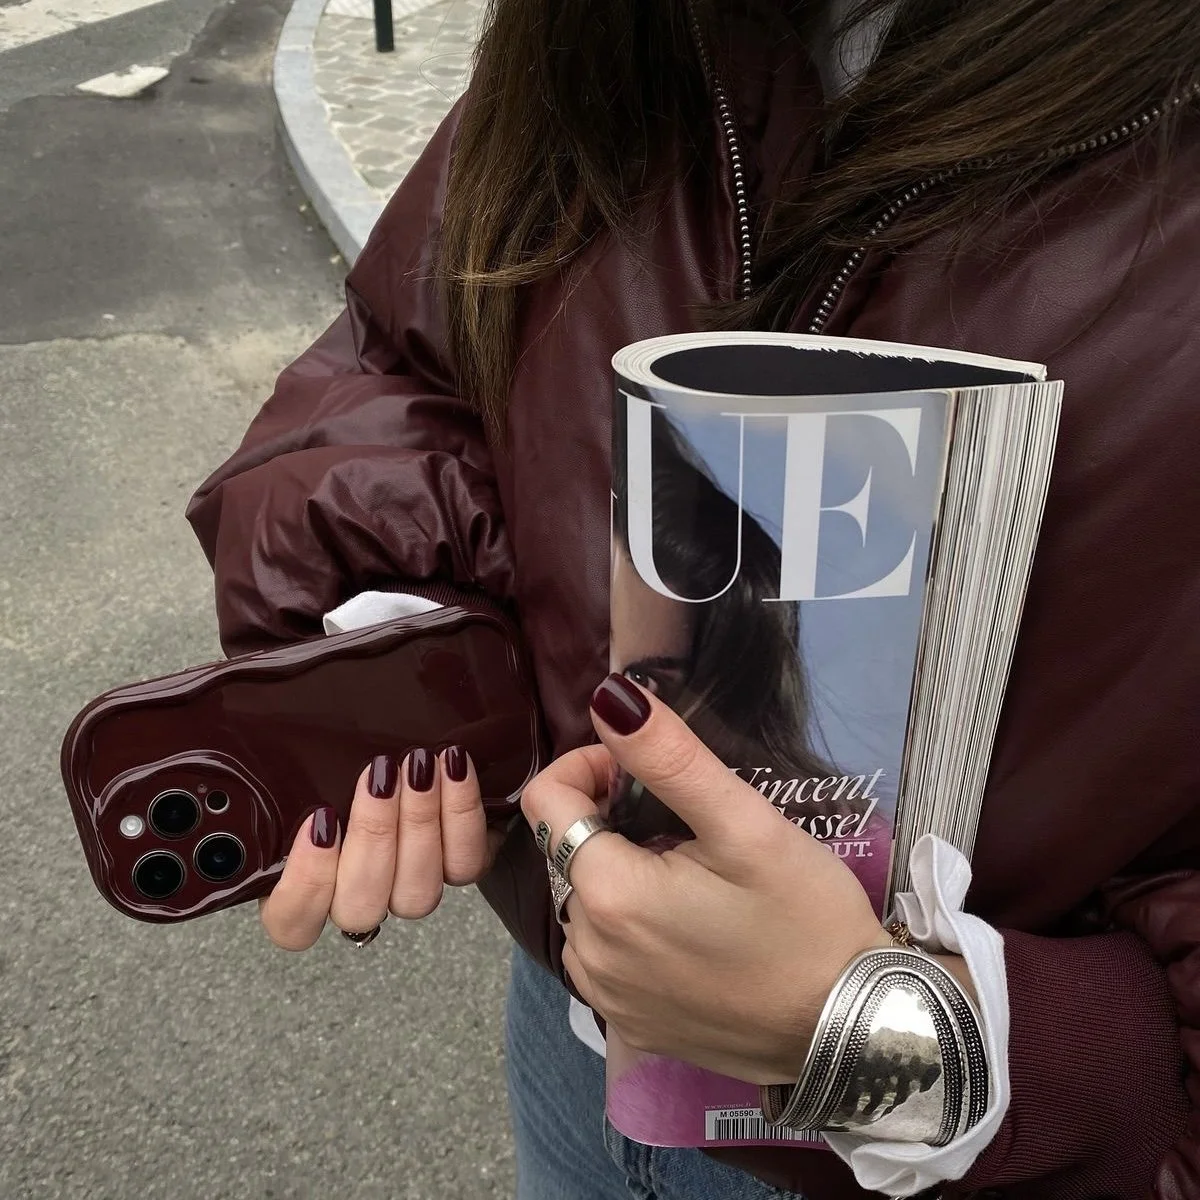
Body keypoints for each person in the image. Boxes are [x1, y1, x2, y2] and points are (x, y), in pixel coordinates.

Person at [185, 0, 1200, 1196]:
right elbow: (412, 353)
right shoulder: (630, 26)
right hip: (575, 1050)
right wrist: (406, 633)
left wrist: (906, 1043)